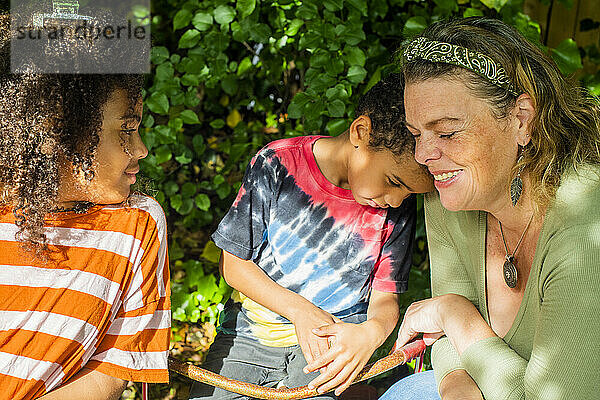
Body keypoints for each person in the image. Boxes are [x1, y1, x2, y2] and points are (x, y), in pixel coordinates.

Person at [380, 17, 600, 400]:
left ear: (521, 120)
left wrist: (454, 313)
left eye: (447, 132)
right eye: (417, 134)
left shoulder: (583, 227)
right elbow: (448, 343)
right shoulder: (449, 193)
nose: (423, 155)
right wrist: (455, 384)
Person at [189, 73, 434, 400]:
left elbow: (385, 298)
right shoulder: (277, 163)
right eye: (393, 181)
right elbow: (234, 266)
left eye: (408, 193)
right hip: (249, 340)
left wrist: (371, 333)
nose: (396, 200)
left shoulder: (396, 208)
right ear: (361, 132)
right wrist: (301, 311)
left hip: (331, 352)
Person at [0, 14, 171, 399]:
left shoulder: (136, 225)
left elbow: (110, 372)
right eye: (126, 129)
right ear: (54, 131)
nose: (141, 149)